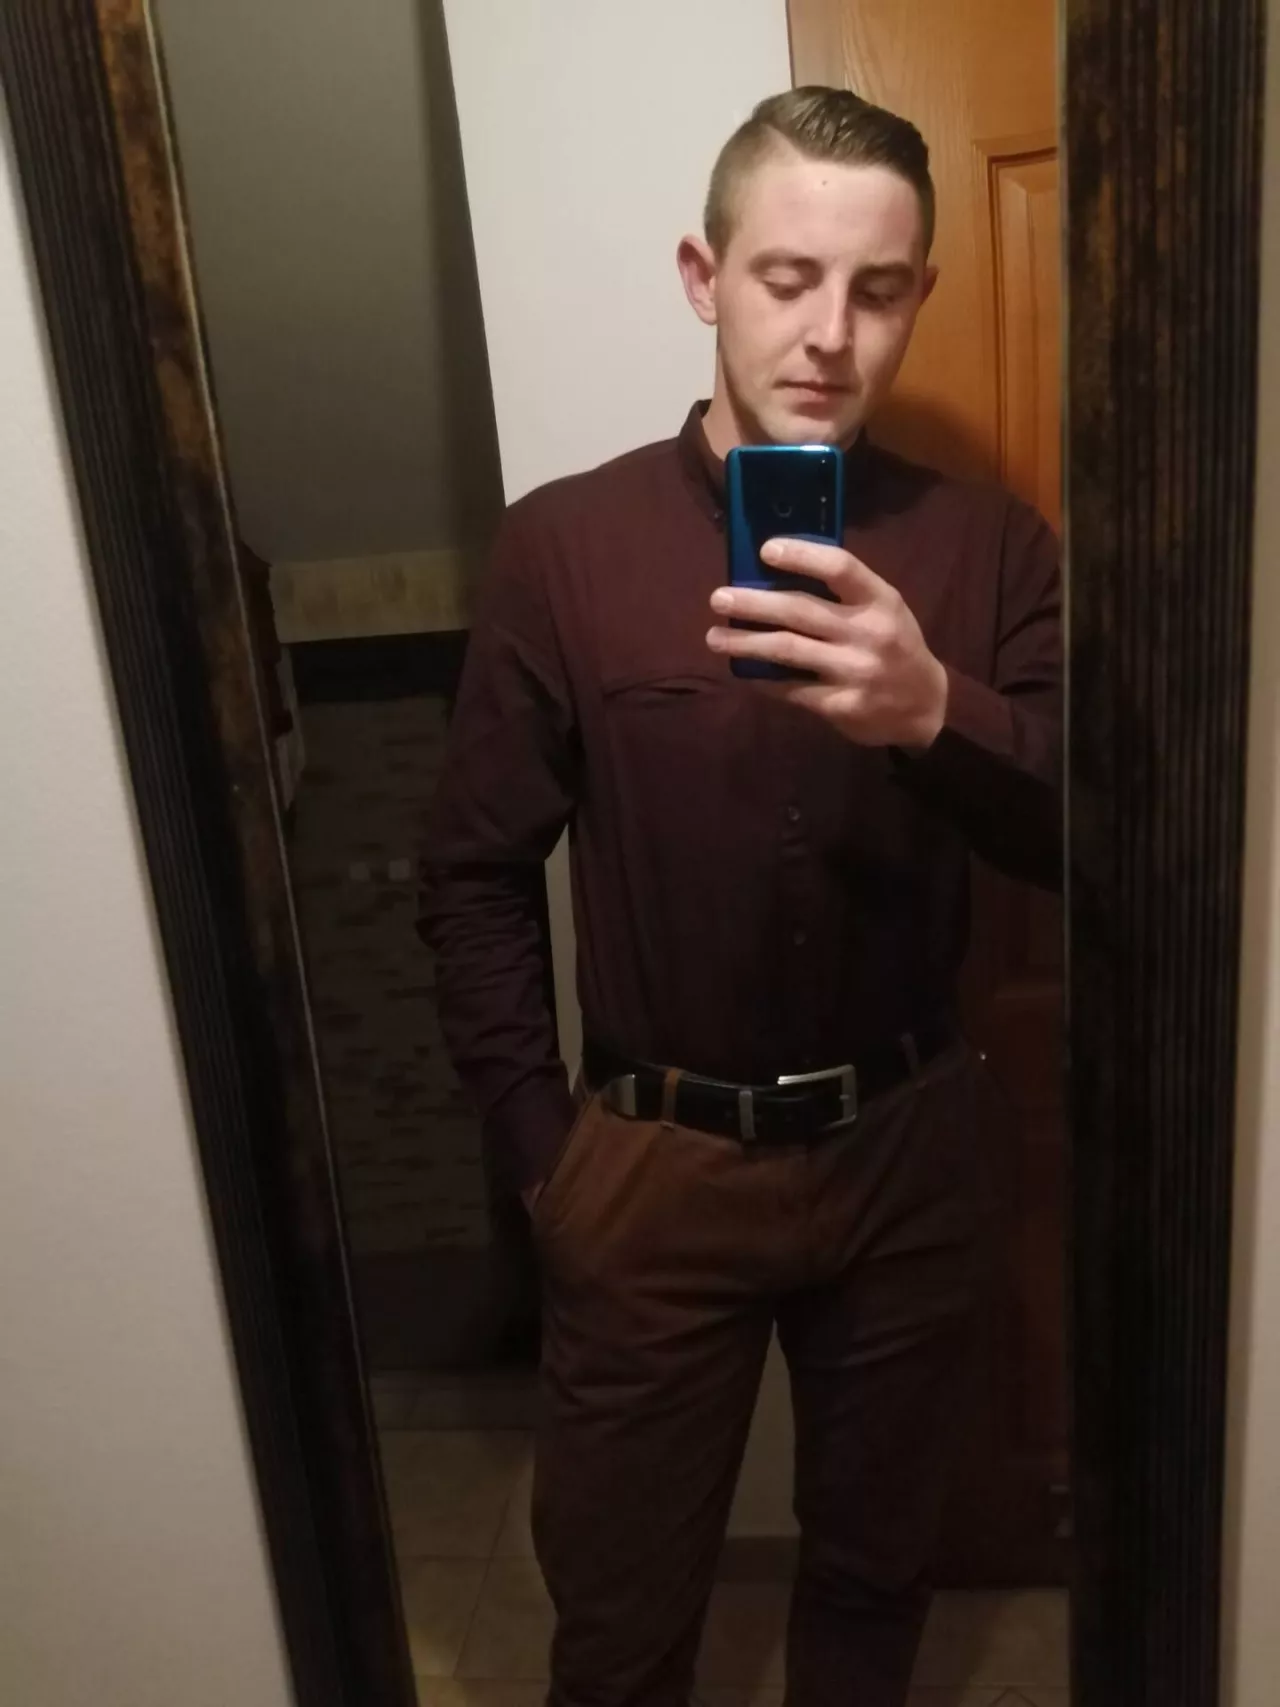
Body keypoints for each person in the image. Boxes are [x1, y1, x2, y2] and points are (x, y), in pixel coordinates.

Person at [421, 86, 1061, 1707]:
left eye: (879, 288)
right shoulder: (562, 549)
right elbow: (473, 870)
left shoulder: (991, 550)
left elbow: (1088, 837)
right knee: (620, 1618)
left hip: (908, 1148)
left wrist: (936, 711)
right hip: (653, 1163)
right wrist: (545, 1156)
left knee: (872, 1580)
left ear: (920, 294)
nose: (832, 332)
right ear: (704, 278)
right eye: (788, 277)